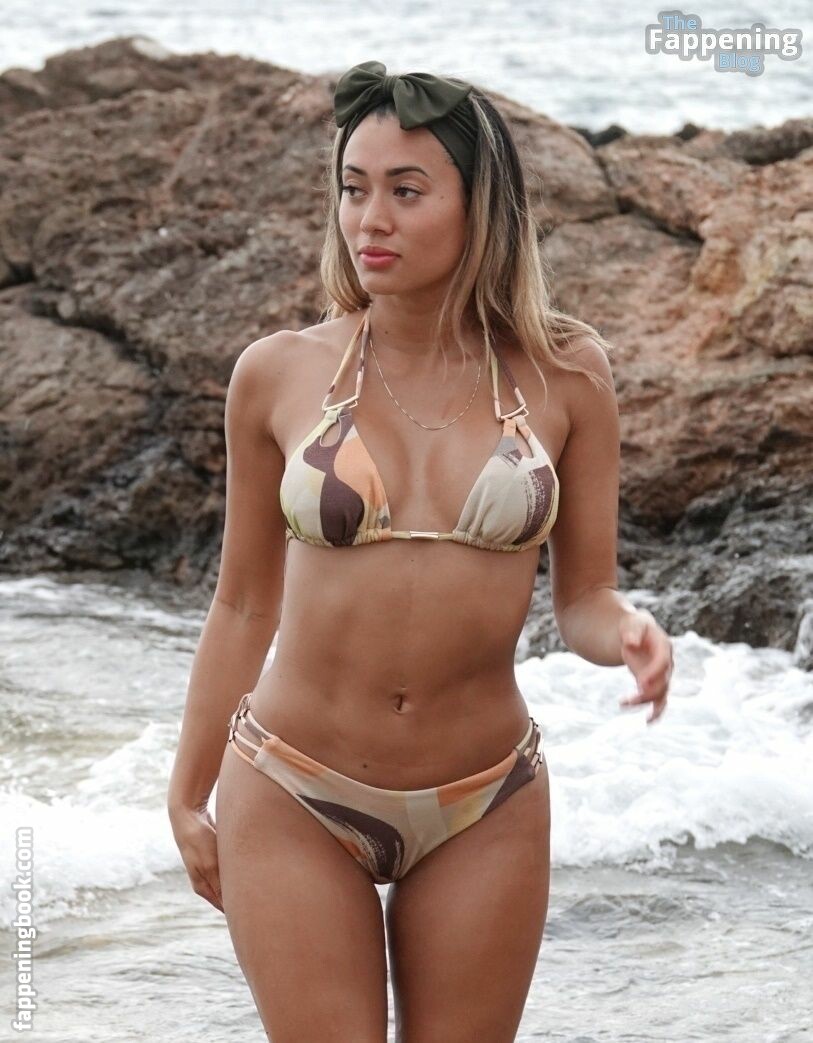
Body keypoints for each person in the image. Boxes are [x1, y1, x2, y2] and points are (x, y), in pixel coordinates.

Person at [167, 59, 673, 1042]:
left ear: (481, 208)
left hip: (487, 796)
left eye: (406, 191)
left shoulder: (567, 374)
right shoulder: (277, 374)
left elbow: (583, 597)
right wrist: (187, 793)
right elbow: (242, 604)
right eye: (353, 188)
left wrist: (629, 631)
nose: (371, 219)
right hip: (293, 785)